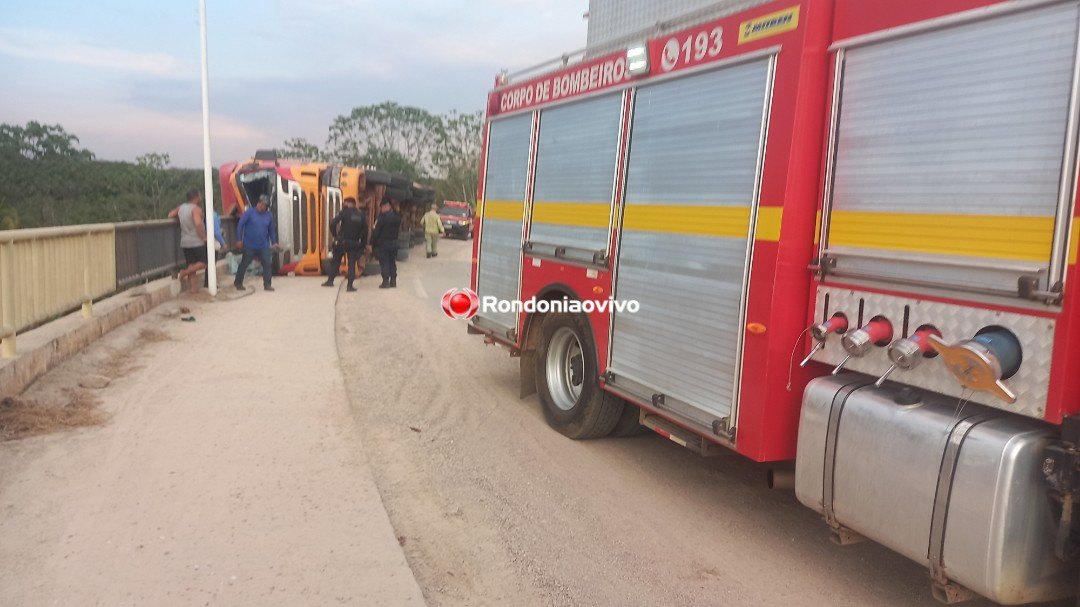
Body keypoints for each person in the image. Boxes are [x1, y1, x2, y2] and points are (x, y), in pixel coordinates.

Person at [234, 195, 279, 292]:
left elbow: (271, 230)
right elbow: (240, 225)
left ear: (266, 207)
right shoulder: (249, 213)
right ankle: (238, 283)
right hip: (249, 245)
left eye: (263, 205)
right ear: (257, 203)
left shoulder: (269, 215)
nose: (261, 206)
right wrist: (239, 239)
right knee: (244, 263)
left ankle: (267, 284)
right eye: (260, 204)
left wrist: (274, 242)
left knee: (267, 264)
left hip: (263, 245)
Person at [322, 197, 368, 292]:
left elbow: (333, 224)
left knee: (336, 261)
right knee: (351, 264)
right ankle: (350, 286)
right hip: (354, 243)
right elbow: (365, 231)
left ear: (347, 203)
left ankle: (330, 281)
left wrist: (335, 235)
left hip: (342, 241)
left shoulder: (344, 212)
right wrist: (362, 244)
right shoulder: (361, 215)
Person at [169, 189, 207, 295]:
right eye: (199, 196)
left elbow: (170, 215)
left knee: (191, 265)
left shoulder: (181, 208)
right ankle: (183, 273)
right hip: (196, 241)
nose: (201, 198)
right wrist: (204, 237)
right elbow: (198, 224)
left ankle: (193, 288)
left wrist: (180, 217)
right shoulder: (196, 209)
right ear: (195, 198)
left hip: (185, 241)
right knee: (204, 263)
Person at [369, 199, 401, 289]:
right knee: (392, 262)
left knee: (384, 262)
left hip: (384, 244)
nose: (381, 209)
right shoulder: (396, 217)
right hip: (394, 243)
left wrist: (371, 243)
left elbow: (376, 231)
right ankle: (393, 281)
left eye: (382, 207)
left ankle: (385, 282)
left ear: (385, 206)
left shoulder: (381, 218)